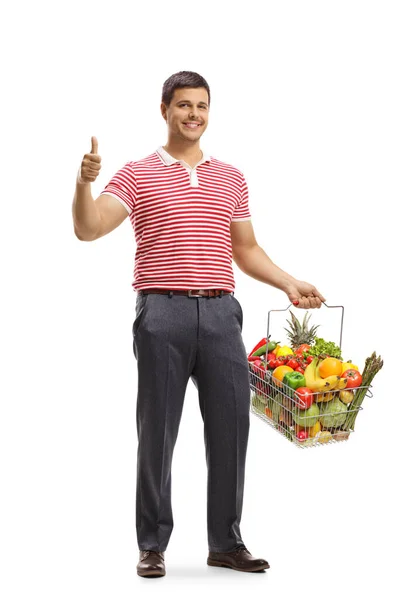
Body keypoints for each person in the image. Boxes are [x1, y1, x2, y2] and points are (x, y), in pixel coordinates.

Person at [72, 70, 326, 578]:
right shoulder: (137, 173)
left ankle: (226, 543)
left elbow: (246, 248)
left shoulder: (231, 176)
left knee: (232, 429)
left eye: (202, 106)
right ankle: (152, 544)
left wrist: (289, 282)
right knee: (158, 431)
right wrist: (84, 182)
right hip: (161, 312)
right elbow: (89, 228)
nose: (193, 115)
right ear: (164, 109)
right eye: (184, 105)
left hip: (219, 314)